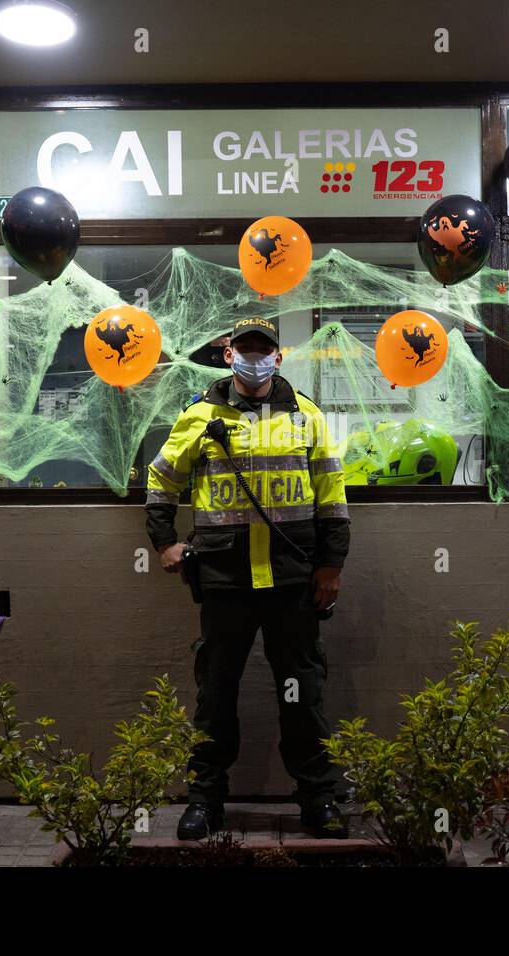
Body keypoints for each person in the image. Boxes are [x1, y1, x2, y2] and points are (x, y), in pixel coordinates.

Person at [146, 317, 350, 840]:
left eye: (264, 349)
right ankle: (204, 801)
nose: (253, 357)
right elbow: (161, 478)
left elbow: (331, 493)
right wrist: (164, 540)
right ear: (227, 354)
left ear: (278, 357)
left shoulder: (306, 416)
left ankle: (319, 800)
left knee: (302, 691)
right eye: (244, 348)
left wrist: (331, 565)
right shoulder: (199, 414)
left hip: (292, 579)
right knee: (216, 691)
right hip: (224, 578)